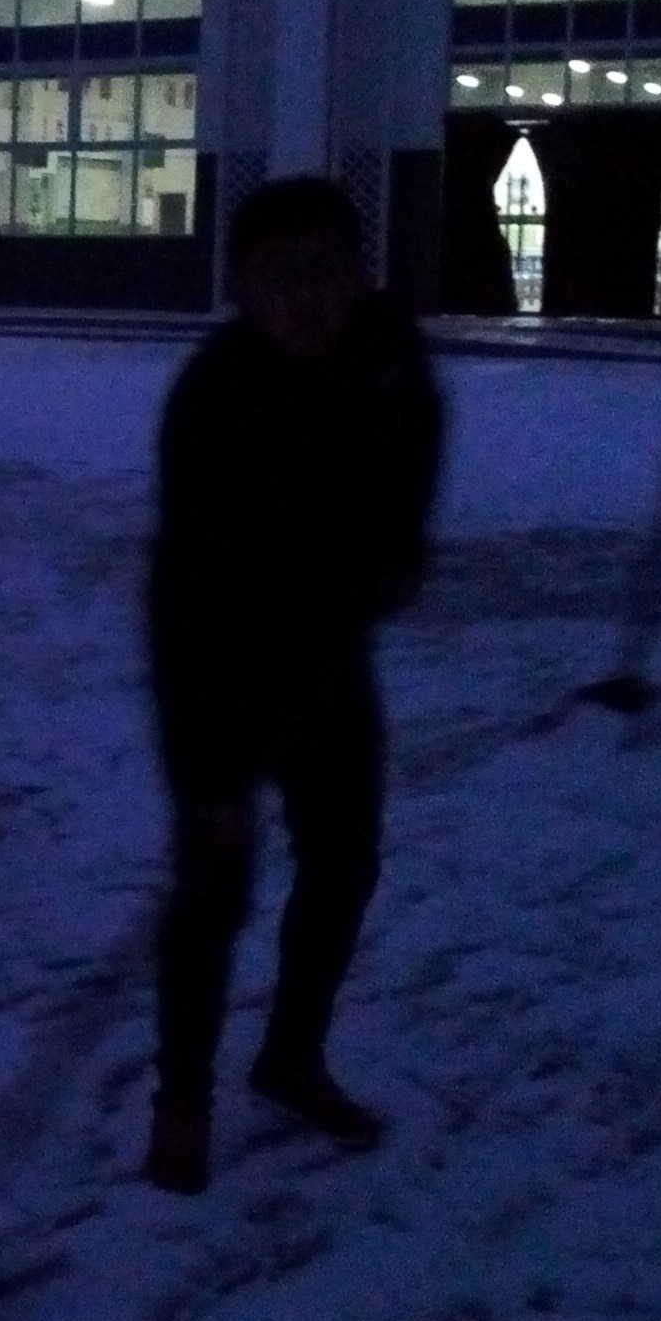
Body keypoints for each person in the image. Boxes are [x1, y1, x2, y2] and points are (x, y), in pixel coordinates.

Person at [143, 177, 443, 1197]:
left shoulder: (388, 355)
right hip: (221, 663)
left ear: (358, 274)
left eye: (324, 272)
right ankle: (181, 1098)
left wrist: (396, 553)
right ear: (241, 289)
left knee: (343, 862)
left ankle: (291, 1053)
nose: (304, 299)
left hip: (330, 656)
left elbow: (412, 454)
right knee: (212, 889)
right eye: (277, 278)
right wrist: (206, 778)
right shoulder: (213, 400)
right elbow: (183, 600)